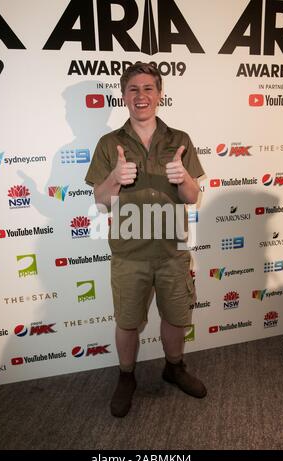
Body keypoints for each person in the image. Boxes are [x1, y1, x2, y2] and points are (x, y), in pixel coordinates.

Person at [85, 62, 207, 418]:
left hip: (172, 252)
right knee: (127, 321)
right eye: (134, 89)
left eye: (148, 88)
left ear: (159, 94)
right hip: (128, 253)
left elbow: (191, 196)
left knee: (175, 318)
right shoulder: (110, 144)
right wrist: (113, 179)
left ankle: (174, 367)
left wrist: (183, 176)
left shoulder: (179, 140)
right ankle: (126, 376)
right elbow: (101, 201)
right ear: (124, 96)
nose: (141, 96)